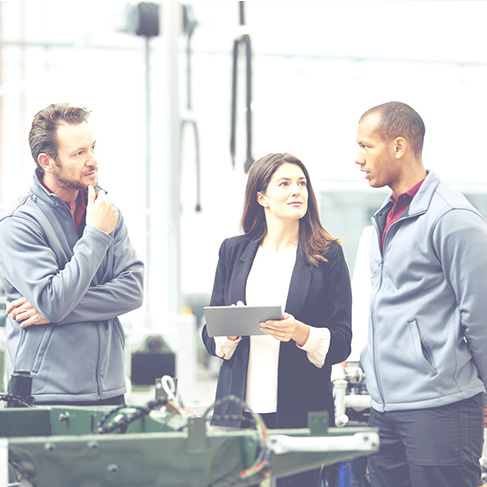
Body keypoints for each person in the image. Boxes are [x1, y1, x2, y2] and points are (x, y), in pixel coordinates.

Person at [355, 101, 487, 487]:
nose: (358, 159)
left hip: (440, 407)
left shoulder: (452, 218)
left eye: (366, 146)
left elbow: (480, 315)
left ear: (398, 147)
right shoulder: (387, 213)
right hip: (385, 407)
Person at [202, 153, 352, 487]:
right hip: (238, 413)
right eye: (284, 183)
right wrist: (227, 337)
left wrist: (301, 334)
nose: (297, 191)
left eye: (301, 183)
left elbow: (343, 341)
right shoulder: (233, 251)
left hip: (301, 411)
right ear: (261, 197)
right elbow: (209, 331)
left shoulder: (327, 255)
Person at [0, 103, 144, 406]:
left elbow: (133, 291)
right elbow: (53, 300)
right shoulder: (18, 223)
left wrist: (55, 312)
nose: (92, 160)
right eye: (78, 154)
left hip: (110, 390)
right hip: (45, 393)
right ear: (47, 161)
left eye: (92, 148)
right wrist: (95, 235)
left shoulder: (104, 209)